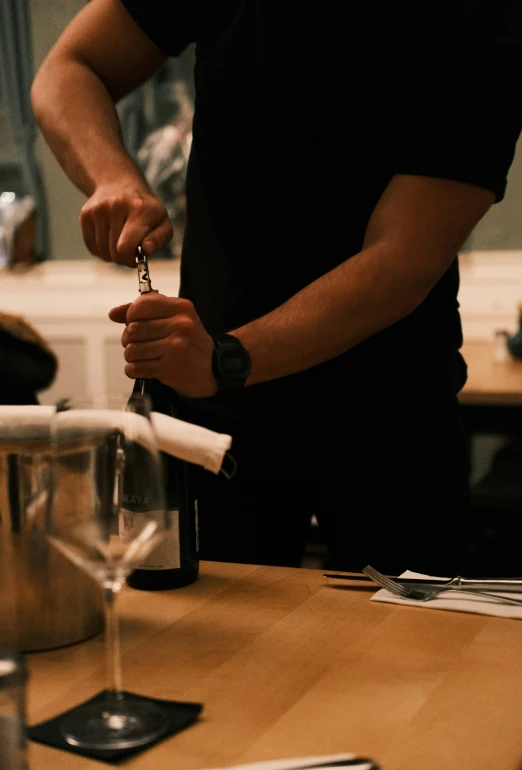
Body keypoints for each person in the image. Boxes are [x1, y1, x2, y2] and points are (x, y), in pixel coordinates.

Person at [30, 0, 522, 575]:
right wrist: (113, 177)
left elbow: (400, 259)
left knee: (417, 655)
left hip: (389, 412)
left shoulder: (486, 17)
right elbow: (70, 69)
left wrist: (226, 358)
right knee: (208, 653)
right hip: (216, 413)